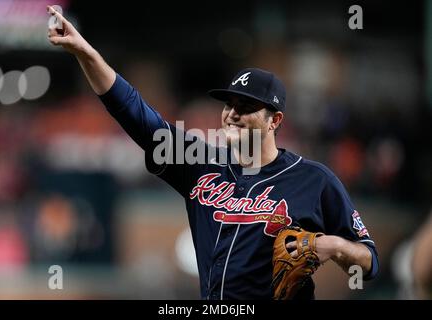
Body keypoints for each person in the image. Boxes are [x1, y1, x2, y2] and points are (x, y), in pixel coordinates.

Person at [47, 5, 379, 299]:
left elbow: (369, 261)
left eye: (246, 106)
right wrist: (85, 53)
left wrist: (334, 246)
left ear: (274, 120)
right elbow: (134, 112)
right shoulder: (199, 162)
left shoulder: (314, 180)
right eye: (229, 103)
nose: (232, 113)